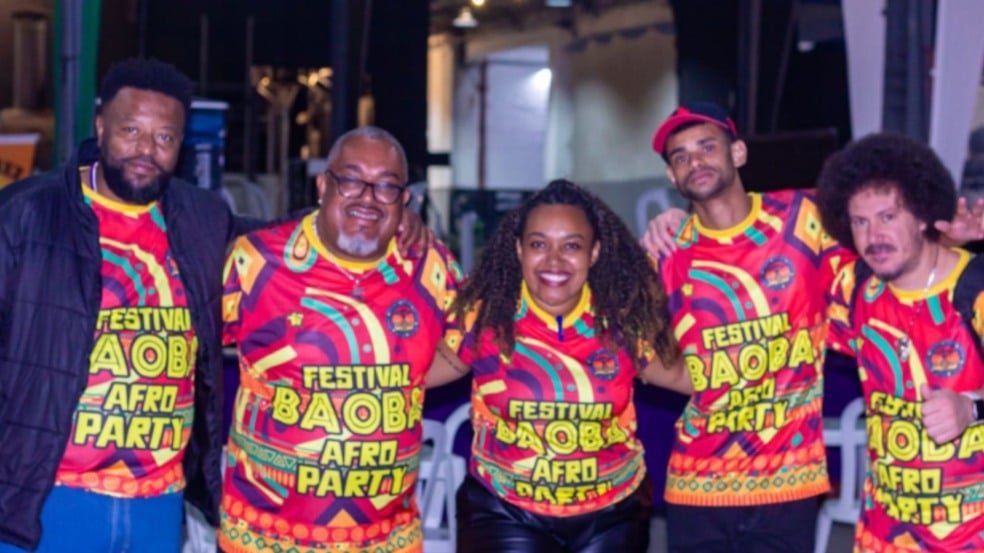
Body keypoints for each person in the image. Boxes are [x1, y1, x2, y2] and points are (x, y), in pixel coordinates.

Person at [0, 58, 233, 552]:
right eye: (131, 130)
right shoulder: (27, 213)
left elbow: (284, 246)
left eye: (164, 138)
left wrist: (381, 218)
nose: (146, 150)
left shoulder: (204, 220)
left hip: (157, 504)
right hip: (48, 498)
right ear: (101, 127)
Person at [219, 126, 463, 553]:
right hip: (262, 536)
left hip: (385, 540)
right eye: (350, 180)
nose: (367, 197)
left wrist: (395, 381)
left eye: (386, 186)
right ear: (323, 185)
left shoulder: (431, 266)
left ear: (405, 200)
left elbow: (473, 343)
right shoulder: (256, 260)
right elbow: (193, 342)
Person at [427, 179, 688, 553]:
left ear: (594, 252)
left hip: (610, 514)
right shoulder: (483, 317)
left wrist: (690, 231)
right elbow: (407, 377)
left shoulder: (625, 322)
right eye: (538, 244)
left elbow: (697, 378)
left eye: (571, 246)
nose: (554, 260)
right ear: (518, 249)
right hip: (506, 512)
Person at [641, 101, 852, 552]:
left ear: (737, 153)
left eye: (706, 147)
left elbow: (885, 255)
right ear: (672, 178)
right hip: (697, 484)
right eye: (681, 156)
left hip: (788, 483)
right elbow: (628, 346)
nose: (695, 161)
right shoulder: (667, 251)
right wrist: (704, 379)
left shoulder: (804, 217)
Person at [818, 133, 984, 552]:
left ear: (924, 214)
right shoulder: (855, 291)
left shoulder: (974, 291)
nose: (874, 235)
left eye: (888, 216)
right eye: (860, 221)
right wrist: (679, 223)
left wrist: (971, 407)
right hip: (884, 537)